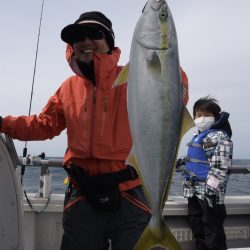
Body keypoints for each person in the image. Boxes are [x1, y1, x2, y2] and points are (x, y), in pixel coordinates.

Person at [0, 11, 189, 249]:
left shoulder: (135, 78)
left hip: (130, 194)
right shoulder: (68, 88)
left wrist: (166, 64)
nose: (86, 41)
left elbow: (172, 97)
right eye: (79, 36)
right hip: (82, 194)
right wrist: (2, 123)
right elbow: (43, 124)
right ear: (72, 46)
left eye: (95, 34)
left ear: (109, 41)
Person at [177, 96, 233, 250]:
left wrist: (210, 190)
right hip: (193, 191)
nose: (202, 118)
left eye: (207, 115)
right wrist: (181, 161)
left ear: (215, 116)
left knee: (213, 232)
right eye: (198, 115)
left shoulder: (220, 136)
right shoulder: (198, 136)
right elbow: (197, 157)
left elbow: (221, 168)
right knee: (198, 228)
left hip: (209, 195)